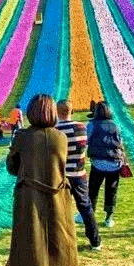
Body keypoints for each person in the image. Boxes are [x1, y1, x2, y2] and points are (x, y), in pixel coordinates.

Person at [3, 94, 78, 266]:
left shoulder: (23, 137)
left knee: (20, 251)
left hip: (29, 200)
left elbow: (12, 168)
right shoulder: (61, 138)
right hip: (58, 198)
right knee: (57, 252)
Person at [55, 100, 101, 250]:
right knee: (86, 207)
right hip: (79, 173)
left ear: (57, 112)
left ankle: (62, 242)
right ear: (71, 111)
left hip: (61, 176)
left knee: (60, 209)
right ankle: (95, 241)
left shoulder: (55, 130)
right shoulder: (81, 127)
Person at [86, 102, 124, 228]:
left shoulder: (92, 125)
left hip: (98, 162)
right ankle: (109, 217)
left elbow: (87, 140)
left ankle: (89, 215)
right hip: (115, 163)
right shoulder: (116, 125)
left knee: (93, 189)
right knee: (111, 190)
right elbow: (120, 142)